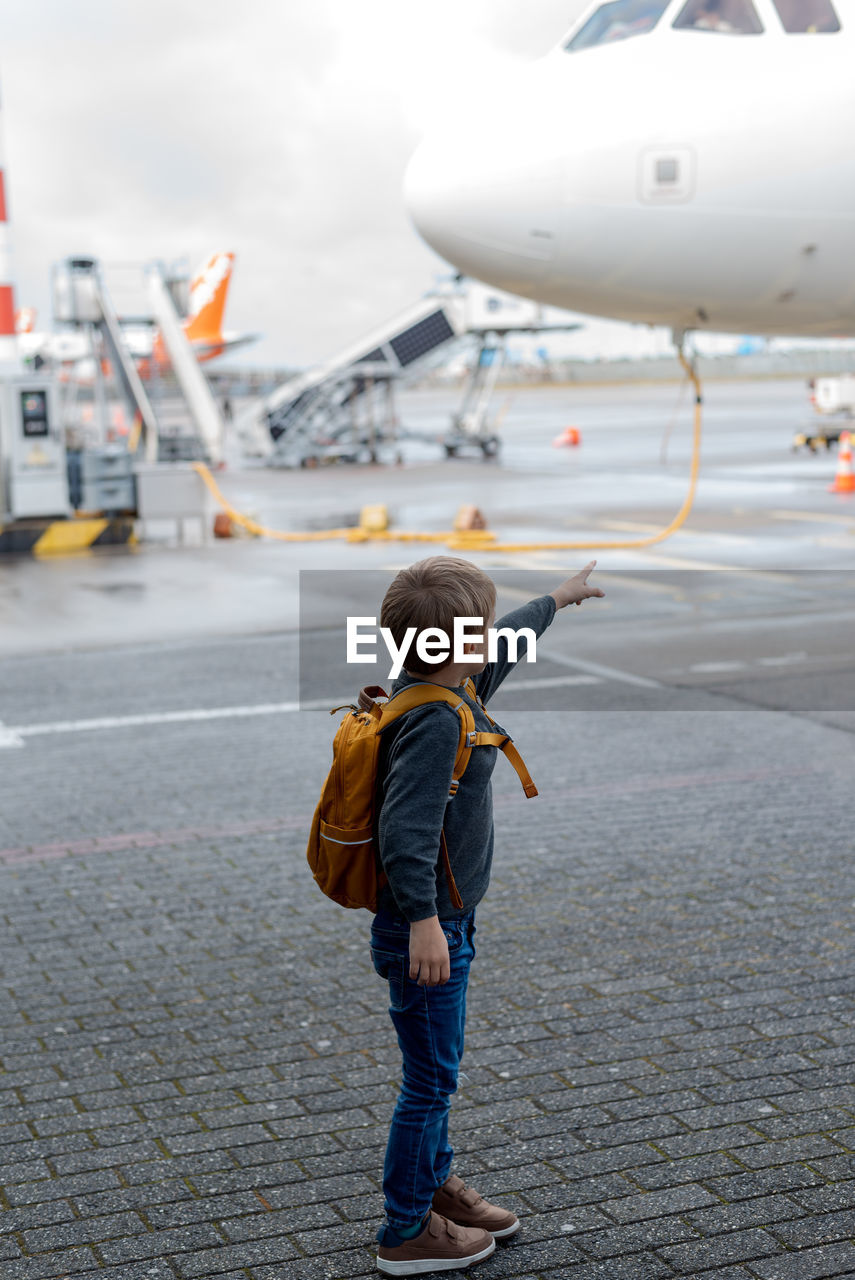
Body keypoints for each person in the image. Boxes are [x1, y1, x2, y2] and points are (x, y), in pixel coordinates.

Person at [370, 555, 604, 1275]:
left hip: (443, 922)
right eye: (476, 633)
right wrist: (423, 922)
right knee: (430, 1081)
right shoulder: (437, 721)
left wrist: (556, 601)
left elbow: (504, 640)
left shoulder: (446, 687)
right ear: (453, 646)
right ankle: (406, 1227)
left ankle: (432, 1185)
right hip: (427, 931)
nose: (487, 643)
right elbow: (403, 835)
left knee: (438, 1069)